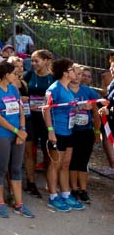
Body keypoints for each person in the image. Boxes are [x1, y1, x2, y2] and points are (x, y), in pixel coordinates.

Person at [0, 61, 34, 218]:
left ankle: (19, 204)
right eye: (14, 73)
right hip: (2, 134)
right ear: (6, 75)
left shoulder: (14, 89)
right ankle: (0, 203)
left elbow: (21, 110)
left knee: (16, 168)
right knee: (2, 168)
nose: (17, 75)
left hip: (18, 134)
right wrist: (16, 131)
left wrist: (22, 130)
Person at [43, 57, 84, 212]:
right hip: (58, 131)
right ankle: (53, 196)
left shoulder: (67, 88)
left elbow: (69, 108)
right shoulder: (54, 88)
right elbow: (45, 109)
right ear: (66, 73)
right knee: (56, 164)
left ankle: (66, 194)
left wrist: (81, 107)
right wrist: (50, 131)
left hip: (69, 130)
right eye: (73, 69)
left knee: (66, 164)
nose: (76, 72)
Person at [23, 49, 54, 197]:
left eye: (37, 61)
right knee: (29, 151)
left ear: (47, 60)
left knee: (48, 151)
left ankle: (50, 181)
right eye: (32, 61)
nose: (34, 64)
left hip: (47, 119)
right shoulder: (29, 75)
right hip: (30, 118)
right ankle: (31, 182)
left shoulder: (54, 78)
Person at [68, 65, 99, 203]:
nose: (78, 76)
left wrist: (97, 131)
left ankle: (83, 189)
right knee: (72, 161)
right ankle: (73, 189)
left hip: (86, 131)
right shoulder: (64, 90)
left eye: (81, 74)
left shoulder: (88, 91)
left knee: (83, 161)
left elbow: (96, 113)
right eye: (76, 73)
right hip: (69, 131)